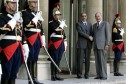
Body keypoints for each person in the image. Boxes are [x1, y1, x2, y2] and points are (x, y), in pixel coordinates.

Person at [0, 0, 29, 84]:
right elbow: (2, 30)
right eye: (12, 3)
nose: (14, 5)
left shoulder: (18, 17)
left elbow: (21, 33)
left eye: (15, 3)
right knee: (6, 73)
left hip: (18, 48)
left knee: (14, 74)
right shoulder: (2, 16)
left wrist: (25, 44)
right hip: (7, 48)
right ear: (6, 4)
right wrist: (14, 20)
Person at [22, 0, 45, 84]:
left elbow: (40, 26)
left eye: (36, 2)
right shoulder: (25, 13)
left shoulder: (37, 13)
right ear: (29, 3)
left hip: (37, 38)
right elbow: (27, 25)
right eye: (33, 2)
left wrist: (43, 36)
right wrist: (36, 18)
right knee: (30, 58)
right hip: (30, 38)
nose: (35, 4)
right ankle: (30, 79)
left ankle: (34, 78)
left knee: (35, 58)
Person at [48, 10, 67, 81]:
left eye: (59, 15)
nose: (58, 16)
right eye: (57, 15)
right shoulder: (51, 23)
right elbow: (56, 30)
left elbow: (63, 33)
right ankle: (52, 75)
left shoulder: (60, 23)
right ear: (54, 15)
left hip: (61, 42)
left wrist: (65, 40)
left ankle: (57, 74)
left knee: (58, 59)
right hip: (55, 42)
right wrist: (61, 25)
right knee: (54, 59)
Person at [92, 12, 111, 80]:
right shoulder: (94, 25)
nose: (97, 17)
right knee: (97, 61)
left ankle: (104, 75)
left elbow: (108, 35)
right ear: (95, 17)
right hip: (96, 46)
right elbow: (93, 35)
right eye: (96, 16)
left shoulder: (105, 23)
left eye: (99, 16)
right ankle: (99, 75)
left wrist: (107, 44)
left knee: (102, 61)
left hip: (103, 45)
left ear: (101, 16)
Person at [76, 13, 93, 79]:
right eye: (82, 16)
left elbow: (91, 33)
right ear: (81, 17)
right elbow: (80, 32)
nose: (84, 17)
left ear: (87, 17)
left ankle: (87, 74)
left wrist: (92, 39)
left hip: (88, 44)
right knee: (80, 60)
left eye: (85, 16)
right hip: (81, 44)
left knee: (87, 60)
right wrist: (89, 36)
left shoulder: (89, 24)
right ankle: (79, 74)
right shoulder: (78, 24)